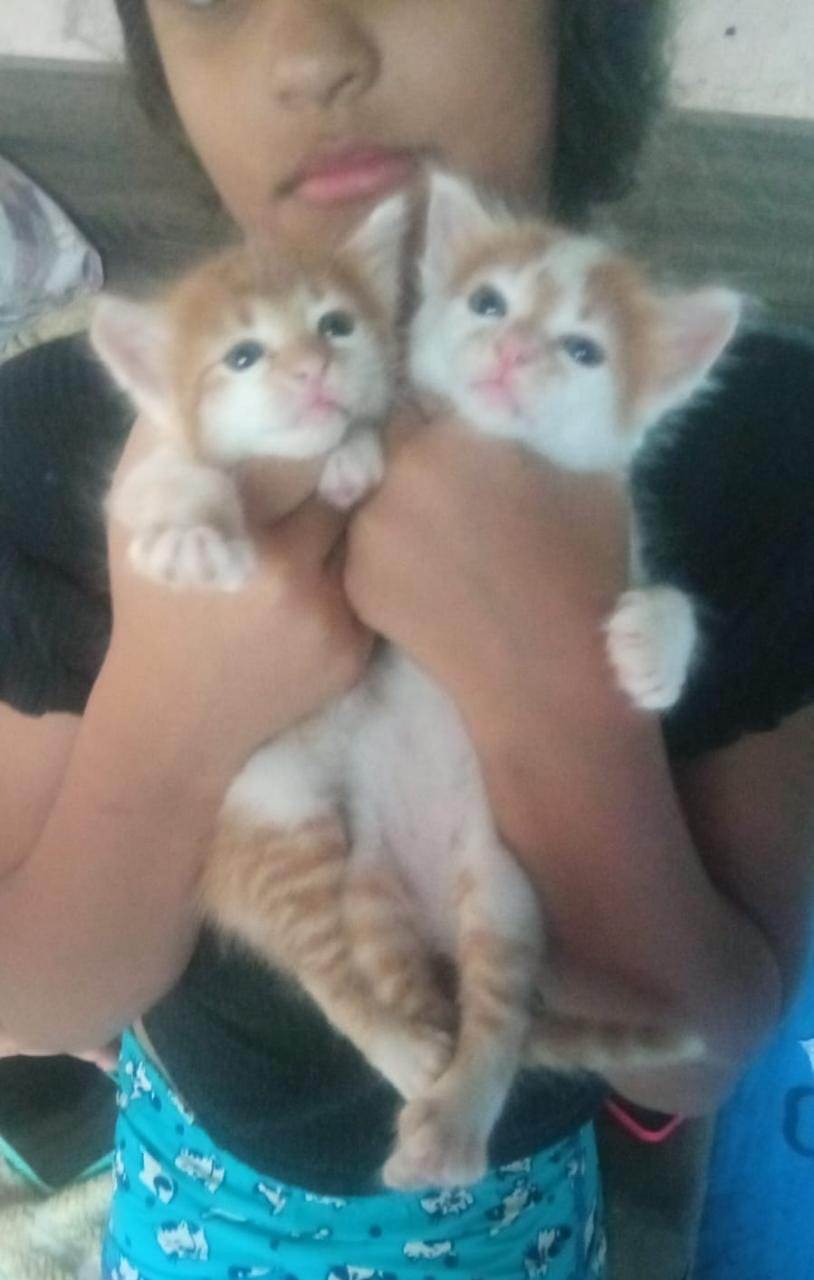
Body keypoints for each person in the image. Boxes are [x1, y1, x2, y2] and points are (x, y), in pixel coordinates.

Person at [0, 1, 811, 1276]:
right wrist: (166, 706)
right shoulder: (55, 439)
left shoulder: (760, 445)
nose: (310, 49)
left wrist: (555, 687)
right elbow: (30, 992)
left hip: (514, 1178)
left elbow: (697, 1054)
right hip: (196, 1161)